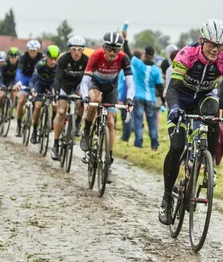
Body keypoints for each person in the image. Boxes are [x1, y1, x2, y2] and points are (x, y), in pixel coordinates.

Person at [158, 19, 223, 225]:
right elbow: (173, 87)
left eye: (220, 45)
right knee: (177, 146)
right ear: (201, 40)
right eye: (211, 43)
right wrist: (175, 108)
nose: (215, 49)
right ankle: (167, 196)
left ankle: (206, 162)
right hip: (181, 98)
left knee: (212, 117)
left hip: (205, 96)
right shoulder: (187, 54)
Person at [80, 32, 134, 184]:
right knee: (95, 99)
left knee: (110, 122)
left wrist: (129, 99)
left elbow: (130, 83)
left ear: (120, 50)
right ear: (103, 47)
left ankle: (108, 163)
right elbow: (85, 81)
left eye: (115, 50)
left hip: (111, 88)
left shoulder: (124, 58)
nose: (112, 53)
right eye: (109, 49)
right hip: (95, 84)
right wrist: (85, 96)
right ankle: (86, 130)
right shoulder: (96, 56)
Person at [51, 37, 89, 160]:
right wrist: (57, 94)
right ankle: (56, 144)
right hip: (65, 85)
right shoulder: (63, 59)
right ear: (69, 49)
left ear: (83, 50)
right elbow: (57, 78)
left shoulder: (86, 60)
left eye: (79, 49)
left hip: (79, 85)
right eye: (73, 49)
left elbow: (88, 80)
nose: (76, 52)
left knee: (82, 99)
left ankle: (77, 123)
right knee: (61, 111)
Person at [131, 45, 164, 150]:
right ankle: (154, 145)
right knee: (152, 122)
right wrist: (163, 101)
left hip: (138, 97)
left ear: (144, 55)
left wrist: (125, 40)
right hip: (151, 99)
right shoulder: (156, 70)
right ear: (153, 57)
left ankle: (138, 143)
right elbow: (160, 86)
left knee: (138, 120)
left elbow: (127, 53)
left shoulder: (138, 64)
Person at [29, 45, 60, 144]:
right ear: (46, 57)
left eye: (55, 59)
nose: (53, 62)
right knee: (37, 106)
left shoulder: (59, 66)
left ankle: (52, 123)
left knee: (55, 105)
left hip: (51, 85)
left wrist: (56, 93)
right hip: (40, 84)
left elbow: (59, 81)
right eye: (51, 59)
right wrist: (32, 89)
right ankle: (34, 131)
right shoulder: (40, 64)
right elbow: (32, 80)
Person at [14, 40, 42, 137]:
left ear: (37, 50)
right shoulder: (23, 57)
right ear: (27, 49)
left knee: (37, 104)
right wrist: (19, 82)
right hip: (25, 79)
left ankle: (35, 126)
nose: (32, 52)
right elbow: (19, 72)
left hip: (36, 80)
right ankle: (18, 124)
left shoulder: (41, 58)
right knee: (21, 100)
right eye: (30, 50)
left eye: (34, 50)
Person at [0, 47, 20, 125]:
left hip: (13, 81)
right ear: (9, 57)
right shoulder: (5, 64)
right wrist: (1, 85)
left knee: (13, 93)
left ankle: (11, 110)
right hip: (4, 81)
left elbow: (20, 76)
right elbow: (0, 75)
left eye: (14, 57)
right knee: (1, 95)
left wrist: (17, 84)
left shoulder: (19, 64)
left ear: (17, 57)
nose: (13, 59)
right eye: (11, 57)